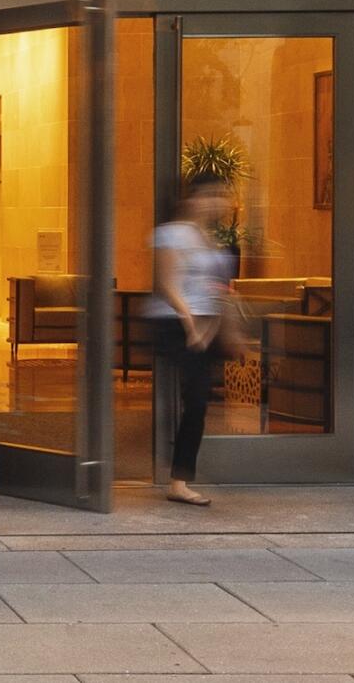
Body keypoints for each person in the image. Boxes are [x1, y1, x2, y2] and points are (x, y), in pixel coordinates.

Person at [145, 173, 235, 507]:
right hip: (174, 323)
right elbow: (167, 284)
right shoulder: (170, 234)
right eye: (209, 194)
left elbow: (219, 290)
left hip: (205, 326)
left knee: (198, 402)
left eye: (220, 195)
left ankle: (177, 478)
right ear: (191, 198)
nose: (216, 201)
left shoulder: (211, 239)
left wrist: (215, 328)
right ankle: (178, 481)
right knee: (195, 400)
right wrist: (190, 325)